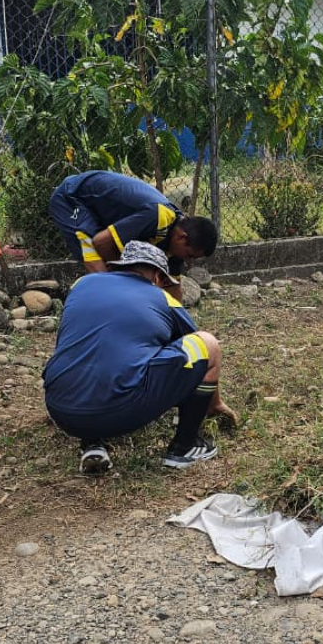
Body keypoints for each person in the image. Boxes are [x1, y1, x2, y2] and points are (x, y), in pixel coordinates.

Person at [42, 241, 233, 473]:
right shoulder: (163, 298)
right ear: (157, 276)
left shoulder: (82, 285)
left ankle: (92, 442)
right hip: (120, 411)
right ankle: (185, 447)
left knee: (90, 352)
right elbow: (199, 353)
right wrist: (214, 403)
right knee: (208, 344)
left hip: (61, 409)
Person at [49, 170, 218, 278]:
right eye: (190, 256)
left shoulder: (176, 244)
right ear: (181, 237)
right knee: (102, 267)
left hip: (101, 214)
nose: (188, 262)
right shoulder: (157, 217)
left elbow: (171, 289)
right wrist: (126, 275)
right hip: (72, 197)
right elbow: (101, 241)